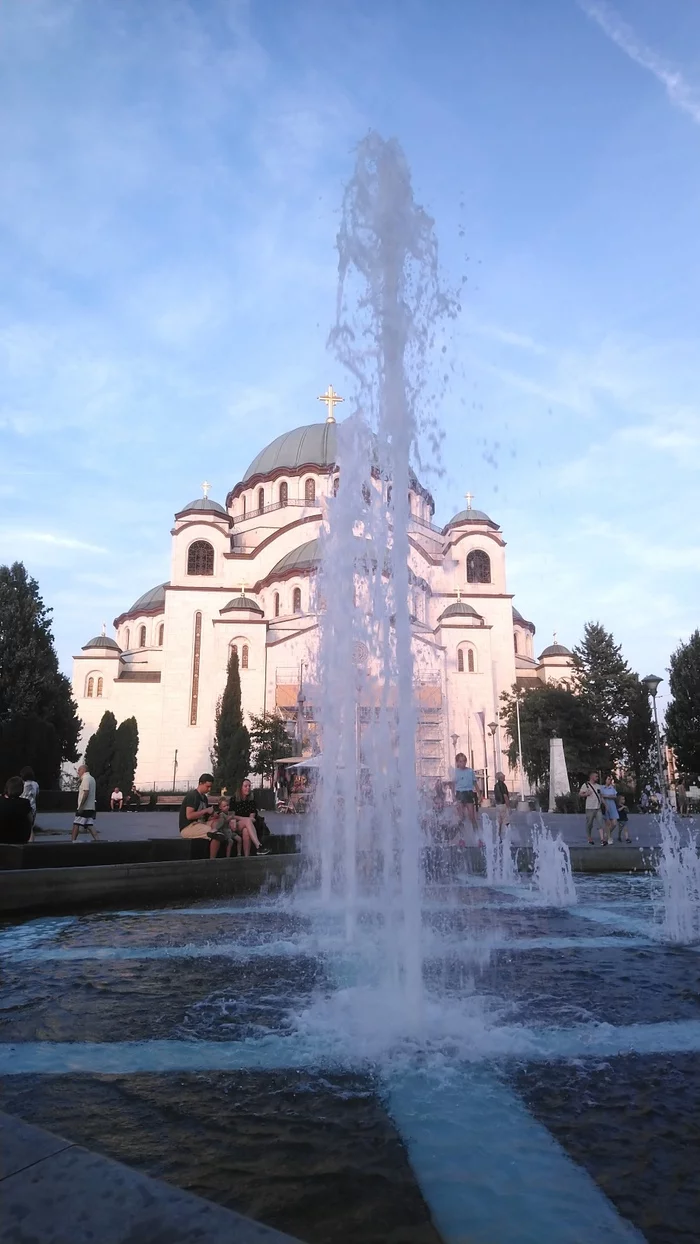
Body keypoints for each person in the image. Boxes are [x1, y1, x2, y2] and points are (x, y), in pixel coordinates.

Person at [179, 774, 219, 858]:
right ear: (200, 783)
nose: (209, 789)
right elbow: (189, 816)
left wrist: (214, 815)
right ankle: (212, 861)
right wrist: (205, 810)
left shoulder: (204, 798)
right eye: (207, 786)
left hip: (200, 824)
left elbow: (204, 817)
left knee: (217, 824)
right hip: (188, 827)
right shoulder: (193, 796)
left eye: (210, 787)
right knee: (216, 835)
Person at [231, 778, 270, 856]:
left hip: (248, 826)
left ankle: (247, 857)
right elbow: (231, 816)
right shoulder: (234, 800)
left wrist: (245, 820)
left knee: (246, 831)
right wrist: (245, 819)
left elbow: (252, 819)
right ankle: (258, 846)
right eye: (245, 786)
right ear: (240, 788)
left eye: (249, 786)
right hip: (236, 825)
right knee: (247, 822)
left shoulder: (251, 802)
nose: (248, 788)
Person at [449, 753, 478, 834]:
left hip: (468, 793)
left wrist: (479, 794)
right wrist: (453, 795)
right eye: (460, 761)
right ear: (457, 762)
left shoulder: (470, 771)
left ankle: (477, 835)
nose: (462, 763)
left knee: (472, 816)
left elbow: (475, 782)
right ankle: (462, 836)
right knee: (461, 817)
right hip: (460, 793)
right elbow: (452, 784)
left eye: (464, 761)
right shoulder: (455, 772)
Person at [0, 776, 33, 844]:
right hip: (20, 839)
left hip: (2, 838)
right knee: (31, 830)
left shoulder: (1, 801)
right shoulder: (25, 803)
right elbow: (31, 820)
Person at [72, 764, 99, 841]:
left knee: (76, 824)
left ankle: (72, 842)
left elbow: (86, 792)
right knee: (90, 825)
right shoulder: (92, 779)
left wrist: (81, 806)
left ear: (84, 770)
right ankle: (98, 841)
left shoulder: (86, 779)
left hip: (84, 807)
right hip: (90, 807)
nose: (78, 773)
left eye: (79, 770)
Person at [579, 772, 603, 845]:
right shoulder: (586, 785)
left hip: (598, 808)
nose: (597, 778)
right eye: (596, 776)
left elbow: (601, 796)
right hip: (590, 808)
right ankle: (589, 838)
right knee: (589, 824)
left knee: (600, 823)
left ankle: (602, 839)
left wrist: (604, 804)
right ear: (592, 777)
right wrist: (586, 794)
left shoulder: (598, 786)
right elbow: (580, 794)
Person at [19, 766, 39, 837]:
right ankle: (31, 844)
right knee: (30, 828)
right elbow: (37, 795)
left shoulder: (21, 784)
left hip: (22, 806)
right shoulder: (36, 784)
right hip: (32, 807)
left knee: (21, 825)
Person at [600, 775, 619, 845]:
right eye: (608, 779)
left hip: (612, 806)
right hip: (605, 806)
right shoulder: (602, 787)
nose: (610, 780)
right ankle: (609, 837)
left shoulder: (612, 788)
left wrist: (606, 796)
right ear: (605, 780)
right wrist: (605, 804)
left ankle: (607, 833)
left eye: (610, 779)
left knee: (614, 823)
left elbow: (615, 796)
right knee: (607, 823)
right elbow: (601, 797)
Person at [493, 771, 511, 837]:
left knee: (499, 822)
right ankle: (508, 836)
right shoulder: (503, 785)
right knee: (506, 821)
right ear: (500, 777)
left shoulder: (496, 786)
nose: (504, 776)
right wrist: (508, 806)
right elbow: (505, 796)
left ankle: (499, 837)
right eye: (503, 775)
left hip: (498, 805)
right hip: (503, 805)